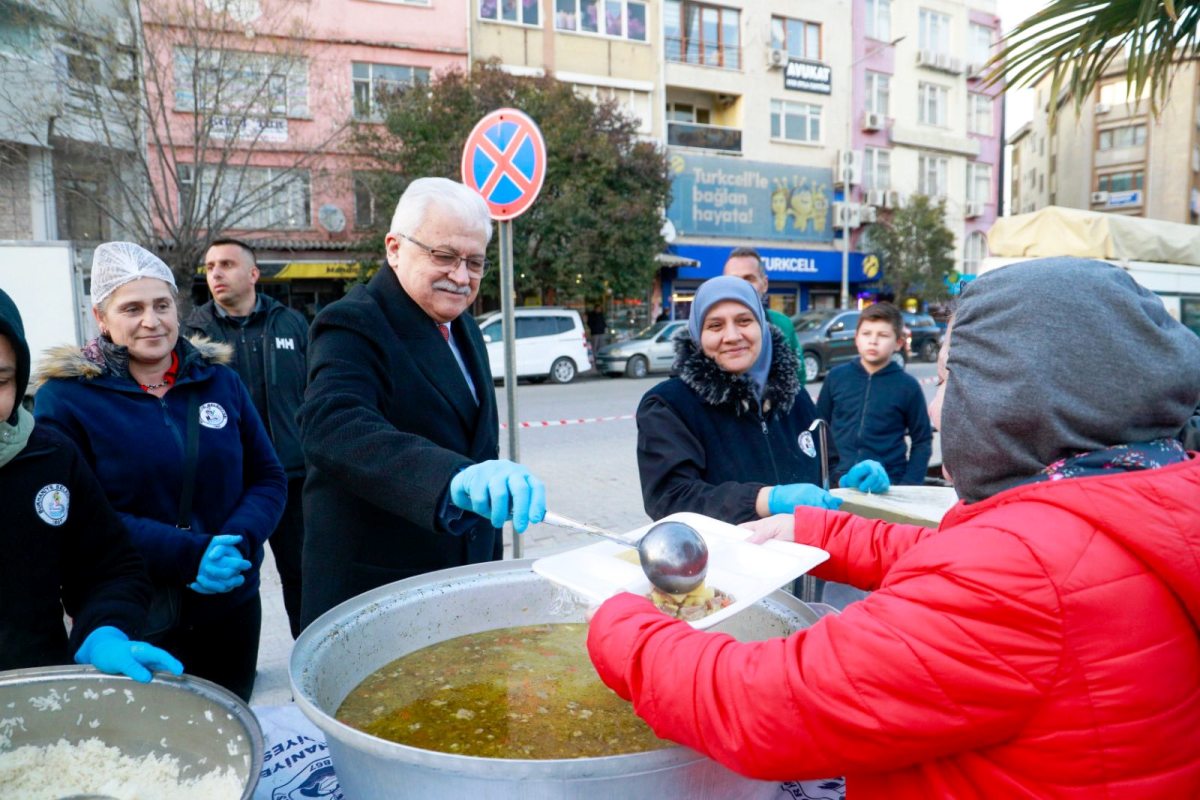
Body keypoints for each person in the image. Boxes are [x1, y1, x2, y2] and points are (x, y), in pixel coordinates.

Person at [588, 258, 1200, 795]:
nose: (936, 409)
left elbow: (767, 702)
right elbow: (964, 554)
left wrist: (620, 622)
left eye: (948, 381)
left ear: (1017, 396)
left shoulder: (1019, 576)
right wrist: (821, 530)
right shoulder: (1142, 490)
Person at [34, 242, 286, 702]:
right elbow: (85, 518)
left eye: (162, 305)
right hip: (136, 610)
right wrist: (189, 554)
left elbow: (268, 477)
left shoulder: (218, 381)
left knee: (231, 723)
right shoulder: (67, 399)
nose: (151, 320)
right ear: (102, 318)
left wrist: (237, 543)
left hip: (230, 599)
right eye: (132, 308)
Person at [298, 177, 546, 627]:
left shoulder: (462, 324)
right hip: (384, 593)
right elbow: (332, 425)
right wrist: (453, 480)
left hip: (465, 577)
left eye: (475, 262)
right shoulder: (353, 321)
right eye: (444, 256)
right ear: (395, 248)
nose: (461, 276)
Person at [0, 288, 183, 682]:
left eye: (0, 380)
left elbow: (110, 567)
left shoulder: (50, 457)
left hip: (37, 693)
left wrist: (104, 630)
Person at [635, 275, 889, 525]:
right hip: (726, 562)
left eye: (744, 321)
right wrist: (767, 499)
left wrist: (844, 482)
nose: (732, 335)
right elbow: (670, 498)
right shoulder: (668, 405)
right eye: (715, 325)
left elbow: (824, 468)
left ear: (762, 327)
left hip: (806, 557)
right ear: (697, 334)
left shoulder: (793, 395)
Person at [184, 237, 309, 639]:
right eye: (209, 267)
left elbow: (315, 393)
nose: (216, 273)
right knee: (233, 577)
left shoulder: (290, 323)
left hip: (294, 478)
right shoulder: (193, 334)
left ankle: (306, 663)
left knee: (303, 576)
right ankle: (237, 666)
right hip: (231, 486)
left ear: (253, 273)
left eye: (226, 264)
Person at [816, 302, 932, 486]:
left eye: (883, 335)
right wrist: (826, 475)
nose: (873, 341)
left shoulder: (908, 386)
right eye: (866, 333)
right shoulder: (836, 377)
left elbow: (922, 441)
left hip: (888, 483)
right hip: (839, 482)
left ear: (898, 343)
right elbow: (819, 429)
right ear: (856, 338)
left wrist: (908, 485)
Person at [723, 246, 803, 385]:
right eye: (734, 280)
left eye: (749, 279)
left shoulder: (782, 324)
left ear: (764, 284)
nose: (742, 286)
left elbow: (798, 377)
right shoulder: (710, 327)